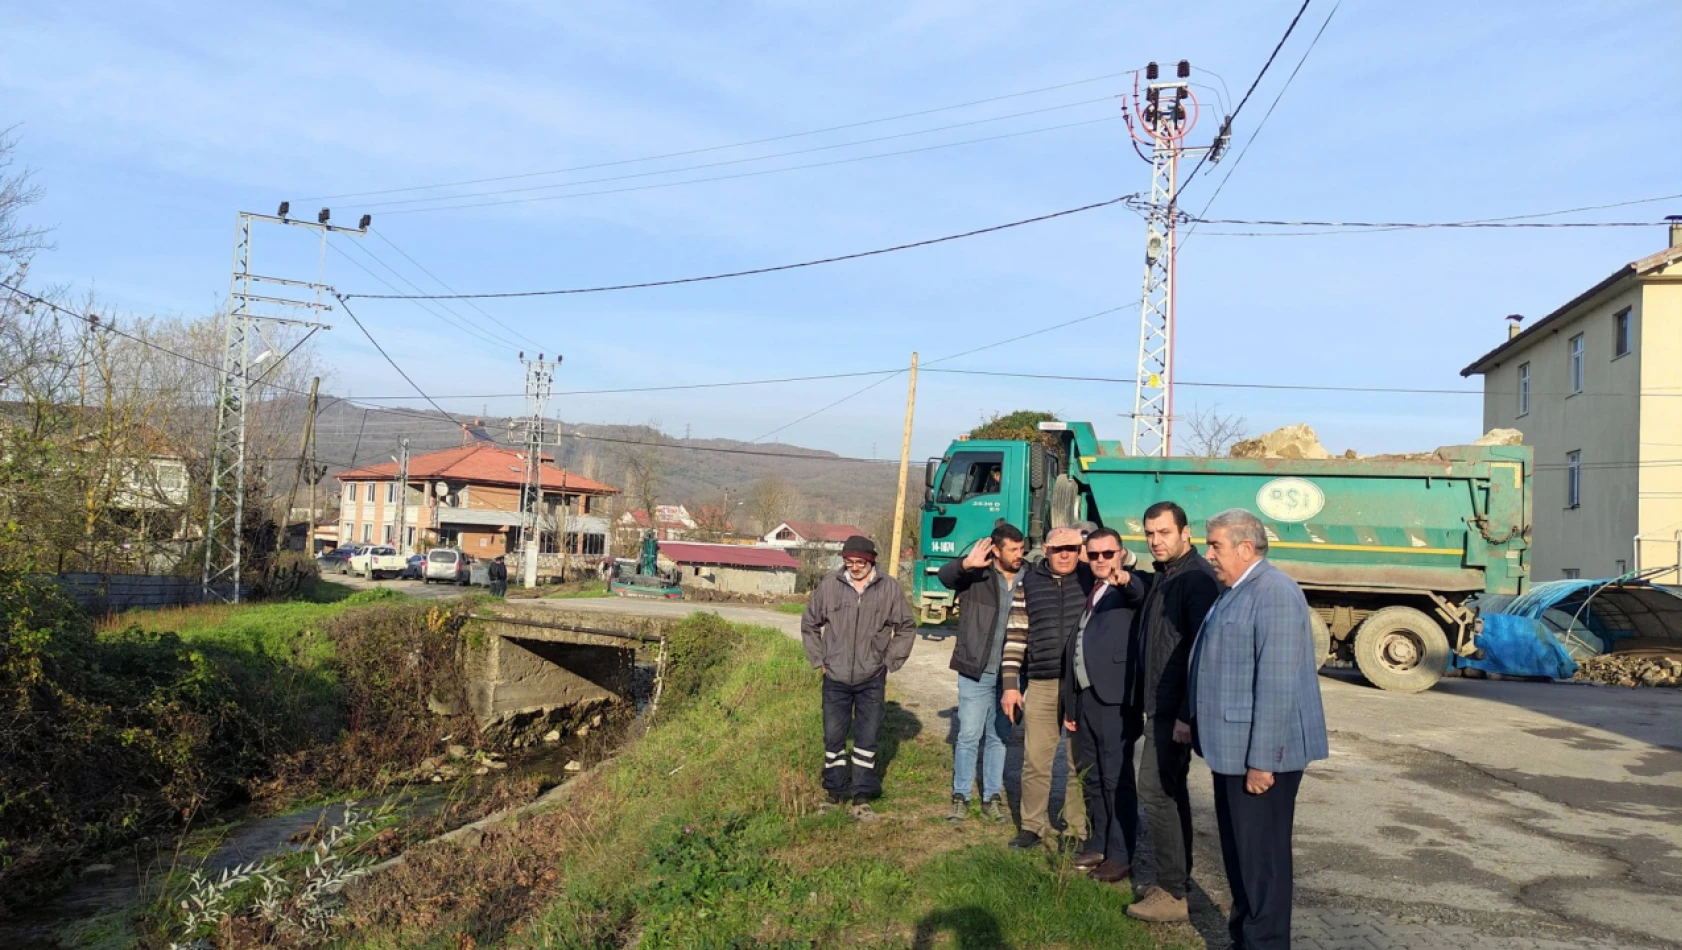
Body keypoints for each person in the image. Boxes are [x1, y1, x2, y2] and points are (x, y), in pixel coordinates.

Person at [1184, 509, 1329, 950]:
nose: (1208, 554)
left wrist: (1263, 762)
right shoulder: (1234, 589)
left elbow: (1277, 683)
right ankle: (1244, 938)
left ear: (1246, 548)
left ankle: (1264, 942)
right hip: (1231, 750)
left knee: (1261, 863)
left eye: (1215, 546)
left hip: (1261, 758)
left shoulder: (1275, 592)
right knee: (1241, 859)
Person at [1125, 502, 1220, 924]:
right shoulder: (1168, 576)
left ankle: (1172, 891)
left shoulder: (1196, 579)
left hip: (1172, 708)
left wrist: (1186, 713)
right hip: (1158, 704)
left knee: (1155, 792)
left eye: (1163, 532)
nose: (1155, 540)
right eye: (1150, 533)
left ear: (1186, 532)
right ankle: (1175, 882)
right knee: (1170, 792)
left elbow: (1201, 652)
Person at [801, 535, 917, 820]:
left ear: (871, 561)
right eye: (848, 561)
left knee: (867, 737)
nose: (853, 567)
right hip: (835, 677)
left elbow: (905, 627)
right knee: (834, 736)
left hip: (871, 677)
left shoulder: (888, 588)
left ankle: (862, 796)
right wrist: (819, 660)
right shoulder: (830, 586)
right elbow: (809, 624)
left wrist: (889, 661)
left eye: (859, 562)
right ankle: (834, 793)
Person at [1060, 527, 1145, 883]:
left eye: (1107, 554)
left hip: (1115, 700)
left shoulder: (1128, 587)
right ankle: (1098, 841)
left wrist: (1124, 578)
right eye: (1092, 555)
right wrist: (1071, 706)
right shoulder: (1092, 589)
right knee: (1092, 777)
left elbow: (1138, 591)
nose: (1099, 561)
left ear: (1121, 554)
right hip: (1087, 699)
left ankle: (1121, 853)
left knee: (1116, 778)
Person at [1003, 525, 1094, 852]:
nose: (1066, 554)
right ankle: (1032, 826)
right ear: (1046, 549)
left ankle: (1076, 829)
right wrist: (1011, 684)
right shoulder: (1030, 583)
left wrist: (1091, 551)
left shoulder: (1090, 577)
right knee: (1036, 760)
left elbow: (1122, 562)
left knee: (1076, 761)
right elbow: (1015, 635)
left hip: (1080, 686)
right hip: (1041, 683)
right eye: (1059, 549)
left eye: (1072, 547)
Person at [936, 523, 1027, 824]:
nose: (1019, 554)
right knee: (968, 735)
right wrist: (965, 564)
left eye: (1021, 548)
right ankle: (960, 796)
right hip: (976, 669)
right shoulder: (976, 575)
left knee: (1000, 736)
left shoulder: (1030, 576)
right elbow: (944, 577)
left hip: (1012, 676)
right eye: (1013, 549)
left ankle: (992, 797)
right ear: (997, 550)